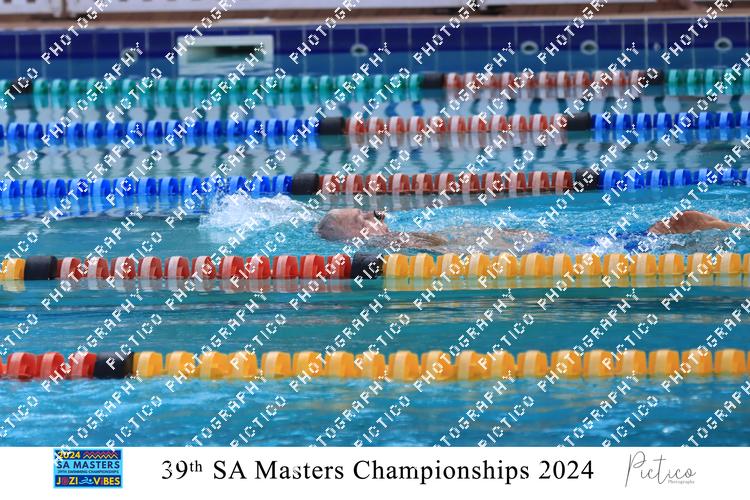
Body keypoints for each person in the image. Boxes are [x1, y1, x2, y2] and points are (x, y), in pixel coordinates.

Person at [316, 208, 742, 251]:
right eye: (363, 218)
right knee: (684, 222)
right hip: (564, 254)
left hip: (562, 246)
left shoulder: (400, 241)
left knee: (683, 225)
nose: (375, 214)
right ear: (356, 236)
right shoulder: (397, 244)